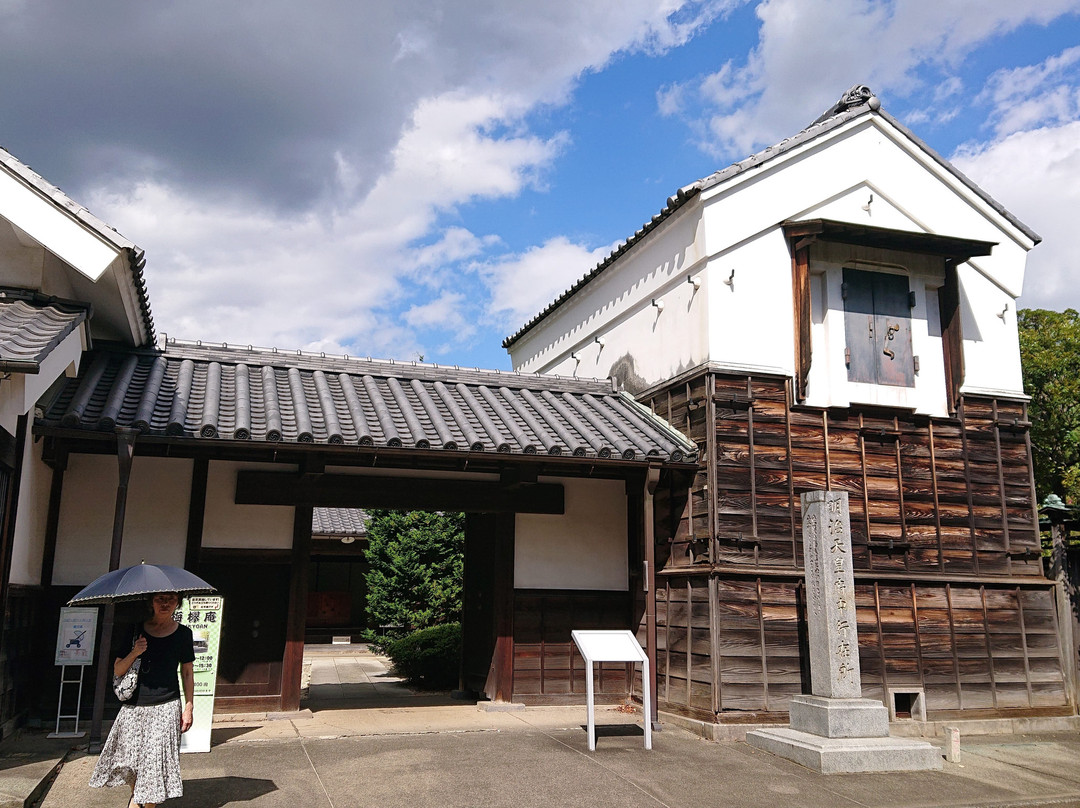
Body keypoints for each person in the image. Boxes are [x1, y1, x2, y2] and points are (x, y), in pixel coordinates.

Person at [89, 592, 195, 807]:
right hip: (134, 707)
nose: (165, 604)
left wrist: (189, 708)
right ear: (151, 602)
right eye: (160, 599)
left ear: (178, 603)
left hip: (166, 706)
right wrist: (135, 652)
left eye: (171, 599)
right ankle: (138, 798)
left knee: (154, 766)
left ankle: (141, 803)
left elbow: (187, 672)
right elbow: (118, 669)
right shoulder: (136, 630)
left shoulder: (183, 633)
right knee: (131, 762)